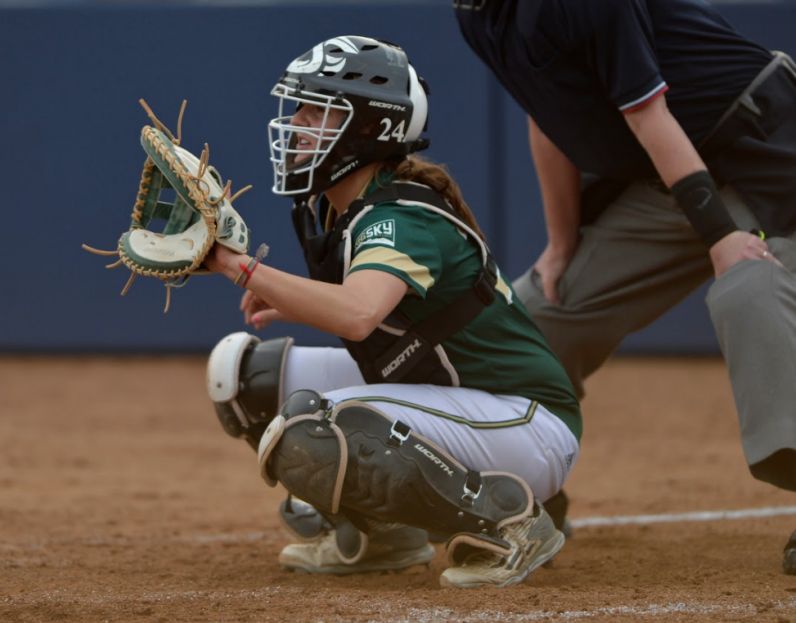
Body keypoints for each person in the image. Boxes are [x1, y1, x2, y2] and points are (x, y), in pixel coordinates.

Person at [202, 35, 583, 588]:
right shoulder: (348, 211)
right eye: (300, 107)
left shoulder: (399, 216)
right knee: (242, 378)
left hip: (526, 422)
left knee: (316, 424)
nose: (299, 124)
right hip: (457, 395)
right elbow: (379, 313)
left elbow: (358, 315)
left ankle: (509, 522)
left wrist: (240, 268)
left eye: (318, 110)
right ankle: (384, 537)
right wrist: (280, 292)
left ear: (368, 129)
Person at [453, 0, 796, 573]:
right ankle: (526, 488)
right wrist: (562, 244)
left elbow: (649, 116)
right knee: (533, 317)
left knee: (750, 293)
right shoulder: (478, 13)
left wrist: (720, 238)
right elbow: (549, 116)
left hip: (767, 150)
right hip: (666, 179)